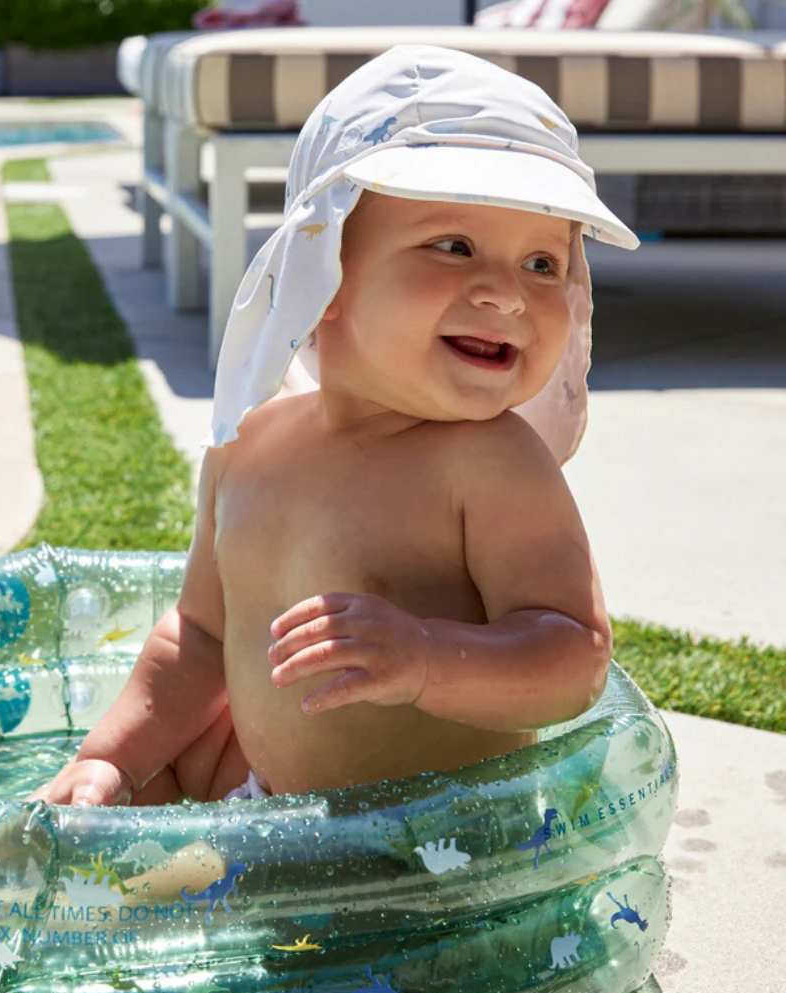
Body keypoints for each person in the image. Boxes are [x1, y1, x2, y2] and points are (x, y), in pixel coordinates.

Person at [33, 45, 639, 809]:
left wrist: (425, 658)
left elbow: (574, 657)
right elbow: (204, 637)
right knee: (112, 808)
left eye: (545, 265)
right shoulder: (247, 449)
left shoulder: (492, 465)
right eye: (455, 246)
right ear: (322, 278)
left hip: (431, 849)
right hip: (264, 802)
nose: (507, 294)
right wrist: (110, 761)